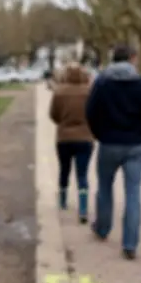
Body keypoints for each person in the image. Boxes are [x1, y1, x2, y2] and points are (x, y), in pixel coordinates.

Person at [86, 45, 141, 260]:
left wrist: (99, 134)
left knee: (105, 188)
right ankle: (129, 243)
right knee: (133, 194)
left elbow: (90, 111)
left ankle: (102, 227)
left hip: (109, 141)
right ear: (132, 58)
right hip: (135, 143)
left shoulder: (102, 82)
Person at [50, 63, 94, 223]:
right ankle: (83, 208)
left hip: (64, 137)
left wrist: (63, 121)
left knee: (64, 169)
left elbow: (53, 115)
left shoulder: (59, 92)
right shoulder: (89, 92)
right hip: (85, 137)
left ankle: (63, 200)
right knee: (82, 173)